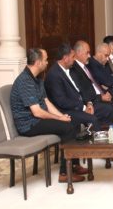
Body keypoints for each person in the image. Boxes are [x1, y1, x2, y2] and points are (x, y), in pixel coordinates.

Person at [10, 48, 80, 183]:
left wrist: (63, 116)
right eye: (45, 60)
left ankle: (74, 165)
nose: (47, 62)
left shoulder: (38, 78)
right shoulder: (25, 81)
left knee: (72, 122)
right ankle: (65, 173)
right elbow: (37, 112)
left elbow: (46, 102)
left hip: (36, 120)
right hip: (28, 125)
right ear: (38, 62)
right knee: (68, 128)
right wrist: (59, 119)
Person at [72, 40, 113, 116]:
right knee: (112, 108)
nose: (89, 56)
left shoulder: (86, 66)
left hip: (101, 94)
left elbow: (101, 82)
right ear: (79, 53)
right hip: (91, 100)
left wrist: (104, 93)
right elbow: (84, 90)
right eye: (87, 53)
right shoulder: (76, 69)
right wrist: (100, 97)